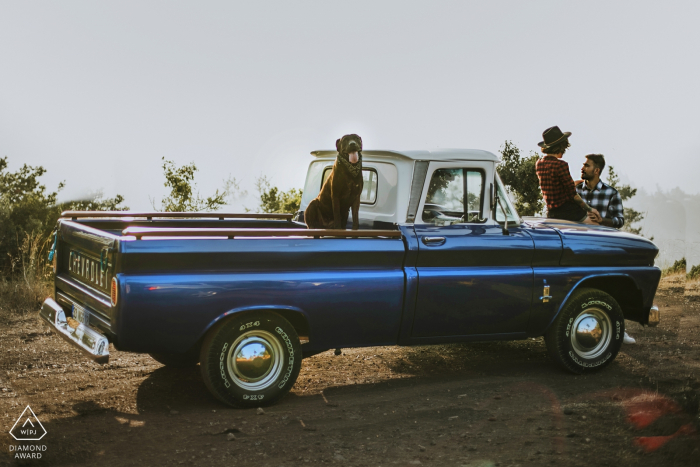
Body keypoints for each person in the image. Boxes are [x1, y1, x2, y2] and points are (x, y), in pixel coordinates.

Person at [576, 154, 635, 344]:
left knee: (610, 288)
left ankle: (619, 329)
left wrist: (603, 221)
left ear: (597, 170)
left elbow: (619, 221)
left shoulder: (611, 193)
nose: (583, 167)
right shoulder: (575, 191)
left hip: (601, 247)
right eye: (583, 164)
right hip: (577, 247)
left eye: (587, 165)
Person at [535, 126, 600, 223]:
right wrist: (590, 209)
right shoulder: (561, 165)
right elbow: (573, 195)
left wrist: (578, 182)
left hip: (551, 213)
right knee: (596, 225)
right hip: (568, 212)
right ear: (561, 146)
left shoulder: (539, 164)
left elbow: (556, 185)